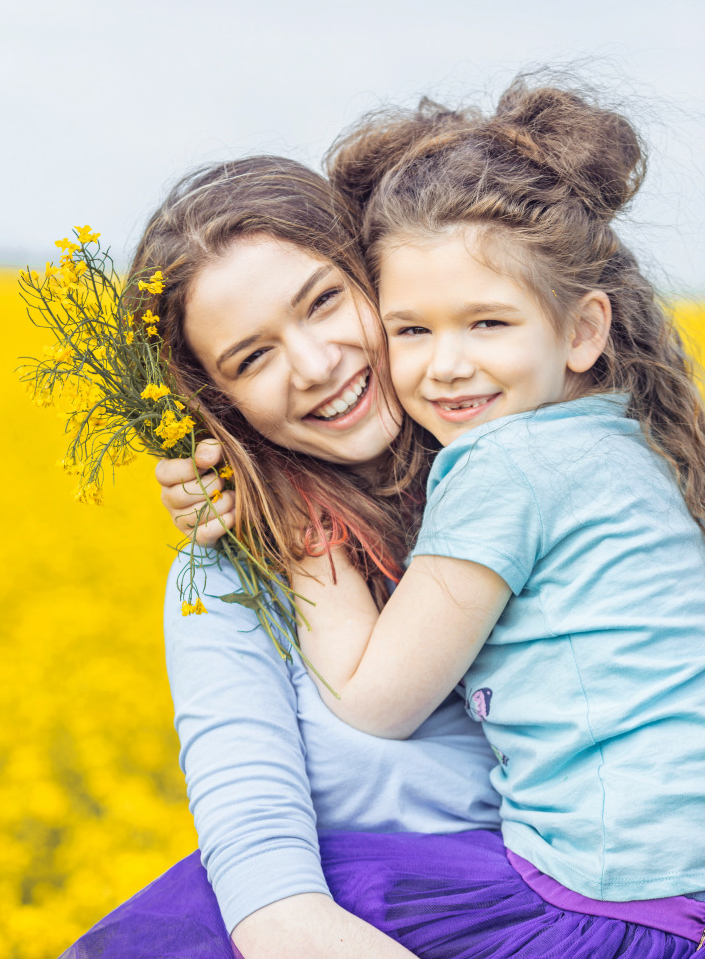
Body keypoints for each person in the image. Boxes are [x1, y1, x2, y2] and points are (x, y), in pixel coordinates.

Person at [62, 97, 703, 958]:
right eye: (252, 357)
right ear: (217, 404)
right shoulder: (228, 574)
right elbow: (267, 885)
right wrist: (285, 523)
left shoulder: (527, 473)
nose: (317, 364)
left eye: (324, 302)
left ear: (379, 278)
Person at [286, 81, 705, 942]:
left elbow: (377, 702)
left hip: (621, 891)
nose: (445, 366)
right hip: (674, 875)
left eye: (486, 322)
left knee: (310, 897)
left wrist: (300, 528)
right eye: (411, 331)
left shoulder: (505, 464)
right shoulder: (620, 441)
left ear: (582, 331)